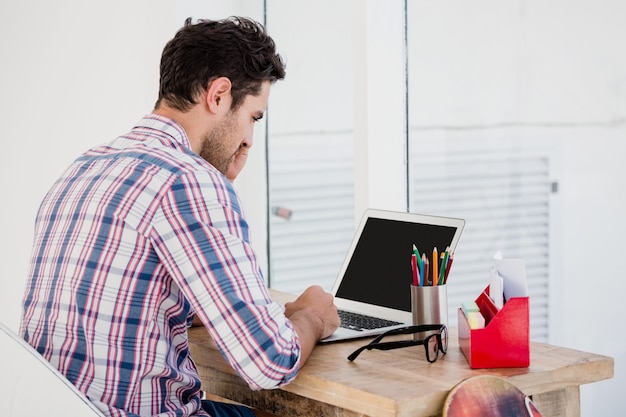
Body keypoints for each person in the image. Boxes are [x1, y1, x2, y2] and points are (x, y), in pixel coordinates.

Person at [19, 16, 340, 417]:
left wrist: (217, 183)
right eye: (253, 118)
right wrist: (311, 316)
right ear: (219, 95)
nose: (248, 140)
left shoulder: (85, 166)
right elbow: (269, 361)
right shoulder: (187, 182)